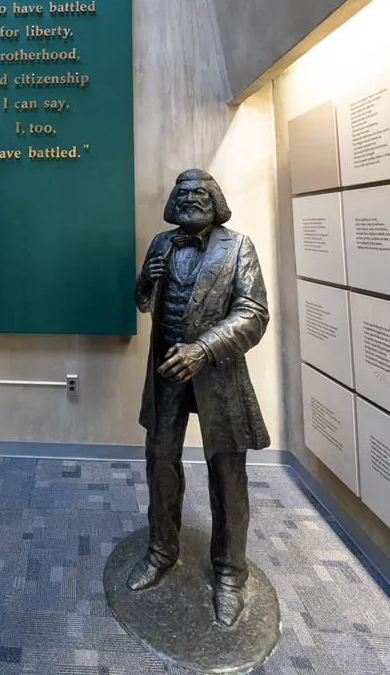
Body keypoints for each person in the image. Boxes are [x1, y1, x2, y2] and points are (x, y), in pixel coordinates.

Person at [126, 169, 270, 627]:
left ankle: (230, 572)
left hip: (218, 374)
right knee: (160, 461)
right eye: (183, 193)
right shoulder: (161, 243)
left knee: (227, 472)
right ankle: (161, 549)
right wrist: (144, 284)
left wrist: (203, 348)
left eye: (200, 193)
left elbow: (254, 314)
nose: (190, 199)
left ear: (216, 200)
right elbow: (144, 303)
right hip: (166, 373)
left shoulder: (238, 247)